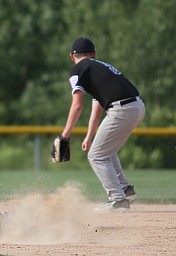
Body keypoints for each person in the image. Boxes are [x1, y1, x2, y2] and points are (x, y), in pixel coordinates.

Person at [59, 37, 145, 211]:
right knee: (106, 150)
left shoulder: (78, 69)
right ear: (94, 54)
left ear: (71, 56)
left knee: (96, 156)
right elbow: (97, 108)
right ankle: (125, 190)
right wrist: (89, 136)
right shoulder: (100, 67)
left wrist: (64, 135)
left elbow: (77, 104)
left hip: (122, 109)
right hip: (136, 106)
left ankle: (118, 200)